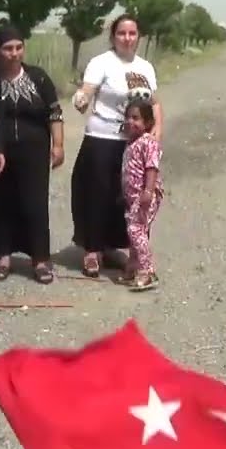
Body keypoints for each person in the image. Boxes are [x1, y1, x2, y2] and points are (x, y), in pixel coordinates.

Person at [69, 14, 164, 278]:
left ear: (138, 37)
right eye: (121, 33)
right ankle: (92, 251)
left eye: (132, 33)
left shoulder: (145, 67)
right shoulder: (101, 62)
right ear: (113, 36)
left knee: (129, 198)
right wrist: (81, 98)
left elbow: (154, 103)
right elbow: (87, 91)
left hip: (134, 143)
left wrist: (157, 129)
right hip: (103, 137)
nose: (127, 38)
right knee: (97, 195)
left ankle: (118, 249)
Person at [0, 25, 66, 284]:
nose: (14, 53)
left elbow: (54, 112)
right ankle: (4, 257)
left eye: (18, 47)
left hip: (34, 151)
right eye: (8, 49)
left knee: (35, 203)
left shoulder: (38, 77)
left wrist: (58, 144)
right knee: (1, 202)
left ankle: (40, 259)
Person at [120, 97, 164, 292]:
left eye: (136, 118)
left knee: (136, 230)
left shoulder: (148, 142)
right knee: (134, 232)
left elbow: (151, 168)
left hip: (146, 195)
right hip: (132, 197)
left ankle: (147, 271)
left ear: (148, 122)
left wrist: (148, 191)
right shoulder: (131, 142)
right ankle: (133, 267)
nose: (131, 122)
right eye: (128, 117)